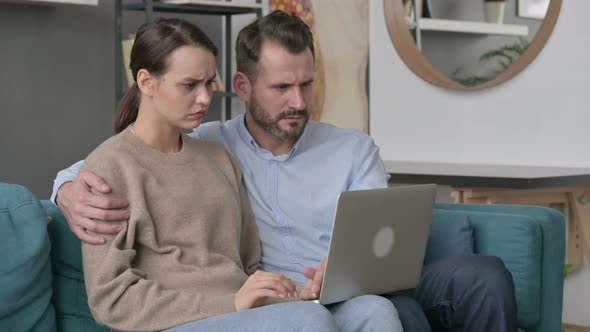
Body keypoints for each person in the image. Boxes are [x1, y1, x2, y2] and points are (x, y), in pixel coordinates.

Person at [53, 10, 517, 332]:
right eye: (281, 88)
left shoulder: (342, 149)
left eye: (306, 84)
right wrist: (68, 190)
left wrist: (334, 274)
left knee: (464, 280)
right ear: (244, 86)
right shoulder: (211, 139)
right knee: (384, 316)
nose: (298, 102)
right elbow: (120, 161)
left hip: (339, 289)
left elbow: (378, 244)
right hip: (263, 302)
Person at [73, 17, 349, 332]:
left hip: (238, 315)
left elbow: (247, 270)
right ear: (146, 82)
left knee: (366, 311)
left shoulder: (219, 159)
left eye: (209, 83)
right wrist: (231, 304)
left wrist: (297, 296)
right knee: (311, 320)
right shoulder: (108, 167)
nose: (205, 98)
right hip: (173, 323)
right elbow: (112, 300)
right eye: (189, 85)